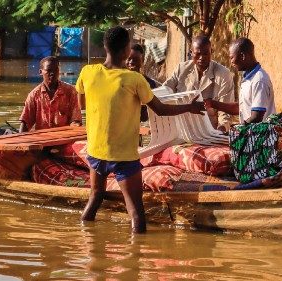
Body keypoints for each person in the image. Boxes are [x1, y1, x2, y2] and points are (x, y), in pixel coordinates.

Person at [75, 26, 205, 233]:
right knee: (136, 211)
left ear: (105, 47)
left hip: (96, 153)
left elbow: (82, 104)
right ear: (126, 51)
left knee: (95, 197)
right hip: (123, 157)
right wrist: (191, 106)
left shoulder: (87, 72)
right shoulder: (135, 80)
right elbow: (160, 110)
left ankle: (87, 246)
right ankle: (135, 259)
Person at [163, 35, 234, 132]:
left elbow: (225, 111)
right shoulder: (181, 69)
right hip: (181, 129)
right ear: (191, 53)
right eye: (198, 54)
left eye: (206, 54)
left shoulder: (223, 74)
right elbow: (165, 91)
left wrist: (220, 130)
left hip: (209, 131)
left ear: (211, 52)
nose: (202, 58)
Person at [204, 37, 276, 124]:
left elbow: (257, 117)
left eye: (231, 58)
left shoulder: (259, 80)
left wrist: (239, 130)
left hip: (262, 135)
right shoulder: (248, 78)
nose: (231, 62)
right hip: (252, 133)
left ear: (242, 56)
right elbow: (241, 108)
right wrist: (212, 104)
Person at [19, 56, 82, 132]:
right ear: (40, 72)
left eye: (55, 70)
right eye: (48, 70)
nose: (52, 73)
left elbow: (76, 120)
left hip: (65, 138)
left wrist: (74, 128)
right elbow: (25, 122)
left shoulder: (70, 91)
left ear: (59, 71)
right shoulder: (34, 95)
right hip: (42, 140)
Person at [126, 43, 158, 122]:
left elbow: (146, 116)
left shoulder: (149, 83)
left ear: (142, 61)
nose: (131, 62)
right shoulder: (118, 80)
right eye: (129, 59)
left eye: (136, 59)